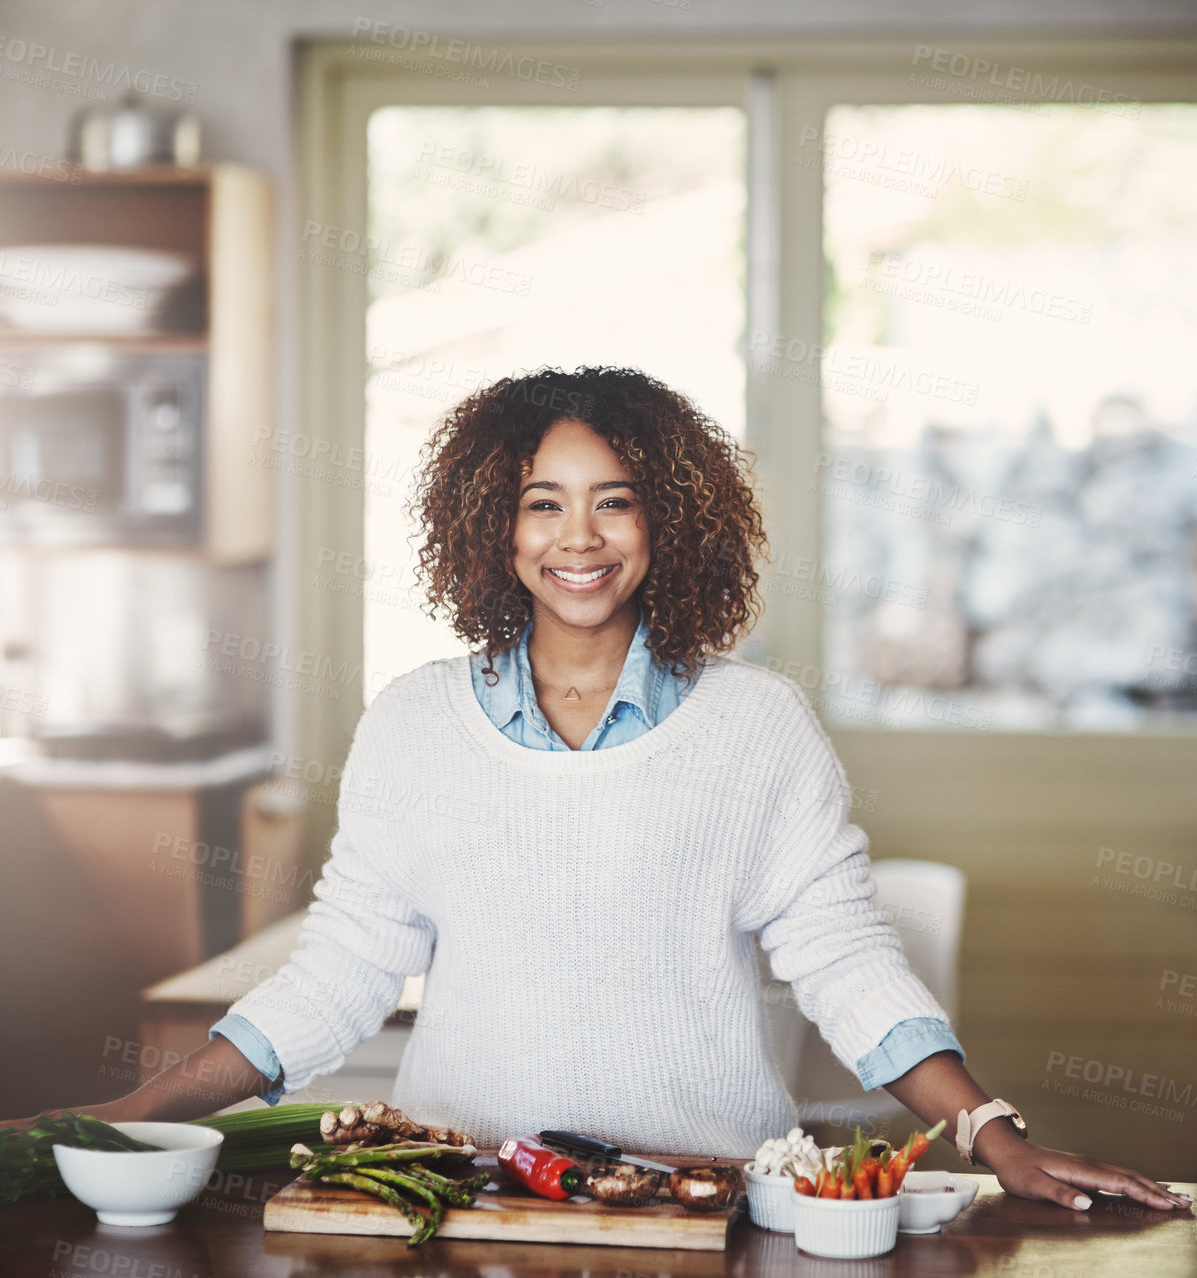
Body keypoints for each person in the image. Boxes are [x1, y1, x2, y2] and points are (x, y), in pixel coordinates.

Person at [16, 367, 1190, 1214]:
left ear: (667, 520)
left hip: (708, 1201)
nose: (579, 536)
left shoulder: (756, 726)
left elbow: (842, 955)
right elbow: (341, 971)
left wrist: (993, 1133)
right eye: (542, 501)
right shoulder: (415, 721)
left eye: (614, 498)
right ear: (493, 525)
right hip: (456, 1196)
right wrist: (125, 1121)